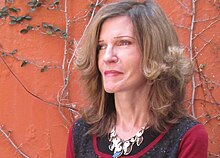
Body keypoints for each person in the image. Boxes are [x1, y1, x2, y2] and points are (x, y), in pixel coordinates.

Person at [66, 0, 208, 157]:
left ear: (154, 51)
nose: (107, 57)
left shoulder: (185, 137)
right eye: (101, 46)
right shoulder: (82, 133)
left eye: (123, 43)